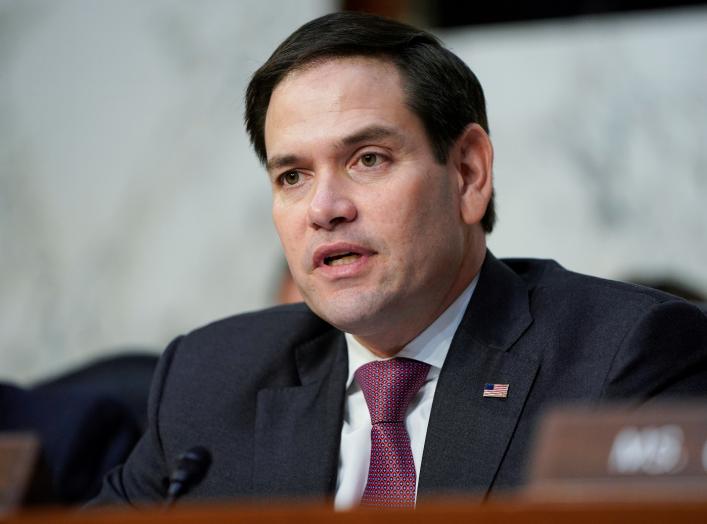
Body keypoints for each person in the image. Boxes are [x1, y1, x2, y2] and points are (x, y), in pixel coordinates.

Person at [89, 11, 707, 509]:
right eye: (293, 175)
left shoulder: (624, 359)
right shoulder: (209, 379)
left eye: (368, 159)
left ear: (468, 172)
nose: (324, 208)